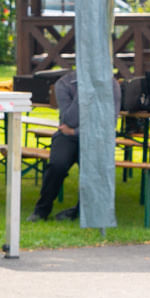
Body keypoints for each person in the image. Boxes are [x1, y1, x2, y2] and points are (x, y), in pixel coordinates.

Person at [26, 70, 121, 222]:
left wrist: (76, 131)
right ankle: (42, 209)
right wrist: (85, 92)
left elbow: (109, 124)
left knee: (94, 168)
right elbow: (69, 119)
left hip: (95, 138)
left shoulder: (111, 85)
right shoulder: (63, 83)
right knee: (57, 165)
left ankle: (79, 210)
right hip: (66, 137)